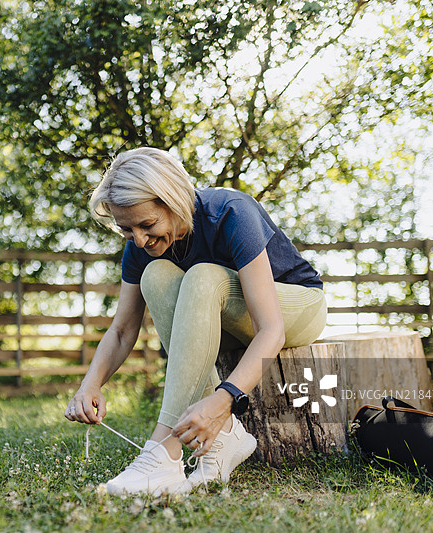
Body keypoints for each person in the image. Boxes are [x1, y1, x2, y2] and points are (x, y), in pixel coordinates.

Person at [63, 147, 327, 496]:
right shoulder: (141, 246)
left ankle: (163, 455)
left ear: (173, 201)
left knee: (204, 276)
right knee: (155, 275)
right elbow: (123, 330)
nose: (140, 239)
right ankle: (227, 439)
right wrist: (90, 385)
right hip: (225, 325)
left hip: (297, 308)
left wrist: (224, 401)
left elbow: (271, 329)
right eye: (127, 230)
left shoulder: (231, 211)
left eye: (147, 224)